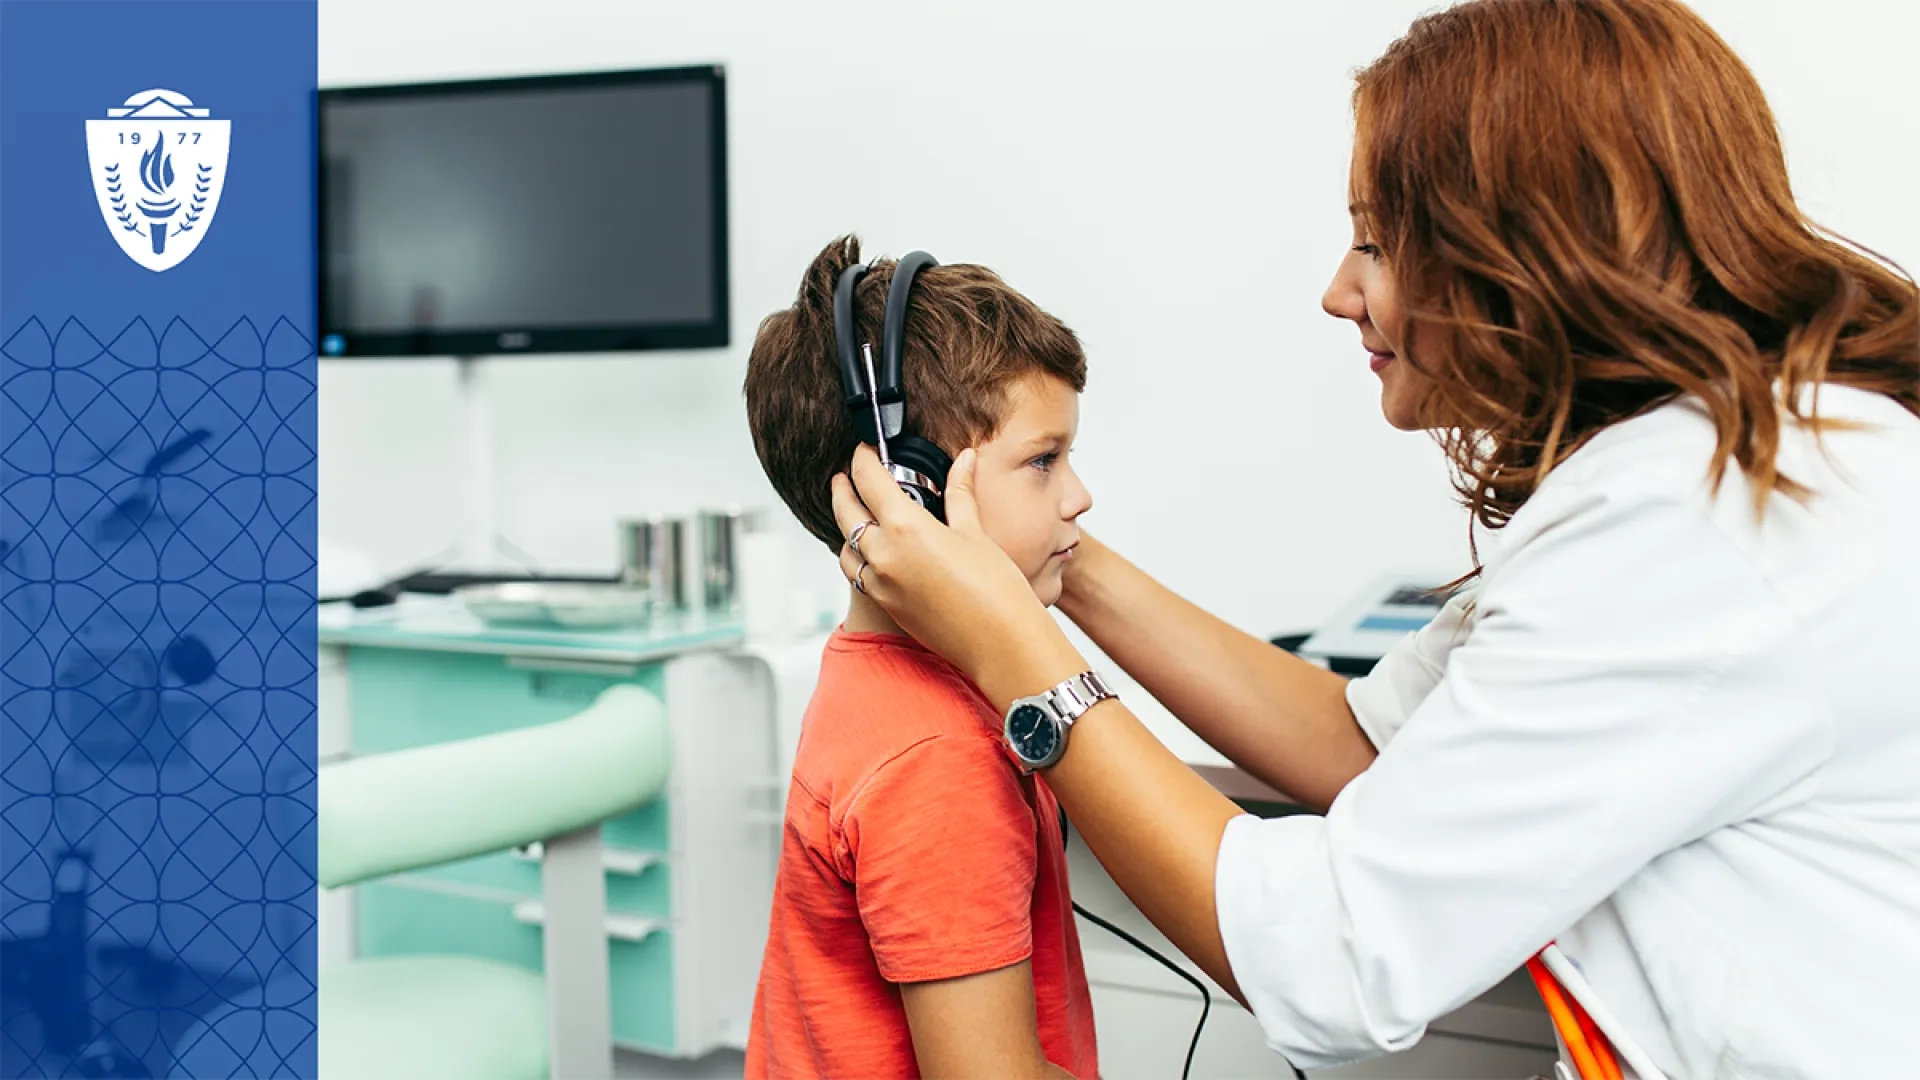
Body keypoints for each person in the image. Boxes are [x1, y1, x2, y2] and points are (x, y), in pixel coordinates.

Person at [826, 1, 1920, 1077]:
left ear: (1519, 255)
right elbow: (1362, 741)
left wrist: (1013, 652)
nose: (1338, 292)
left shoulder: (1704, 523)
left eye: (1377, 245)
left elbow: (1333, 954)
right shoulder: (1709, 463)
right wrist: (1045, 561)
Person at [741, 236, 1100, 1080]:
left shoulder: (877, 675)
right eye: (1044, 461)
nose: (1080, 496)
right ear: (913, 490)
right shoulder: (940, 761)